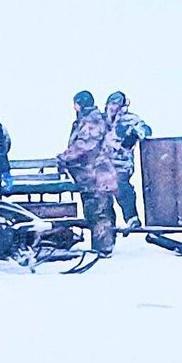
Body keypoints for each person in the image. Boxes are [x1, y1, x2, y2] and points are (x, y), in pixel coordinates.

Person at [59, 90, 121, 257]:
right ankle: (102, 244)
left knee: (99, 209)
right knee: (96, 208)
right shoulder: (87, 120)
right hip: (89, 174)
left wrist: (65, 157)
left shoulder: (92, 120)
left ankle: (104, 246)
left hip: (95, 173)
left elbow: (85, 145)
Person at [104, 92, 153, 229]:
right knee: (101, 193)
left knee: (120, 185)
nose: (113, 107)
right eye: (111, 104)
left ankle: (131, 218)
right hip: (104, 164)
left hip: (122, 163)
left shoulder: (130, 119)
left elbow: (146, 131)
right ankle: (107, 226)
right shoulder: (103, 121)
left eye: (116, 104)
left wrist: (131, 137)